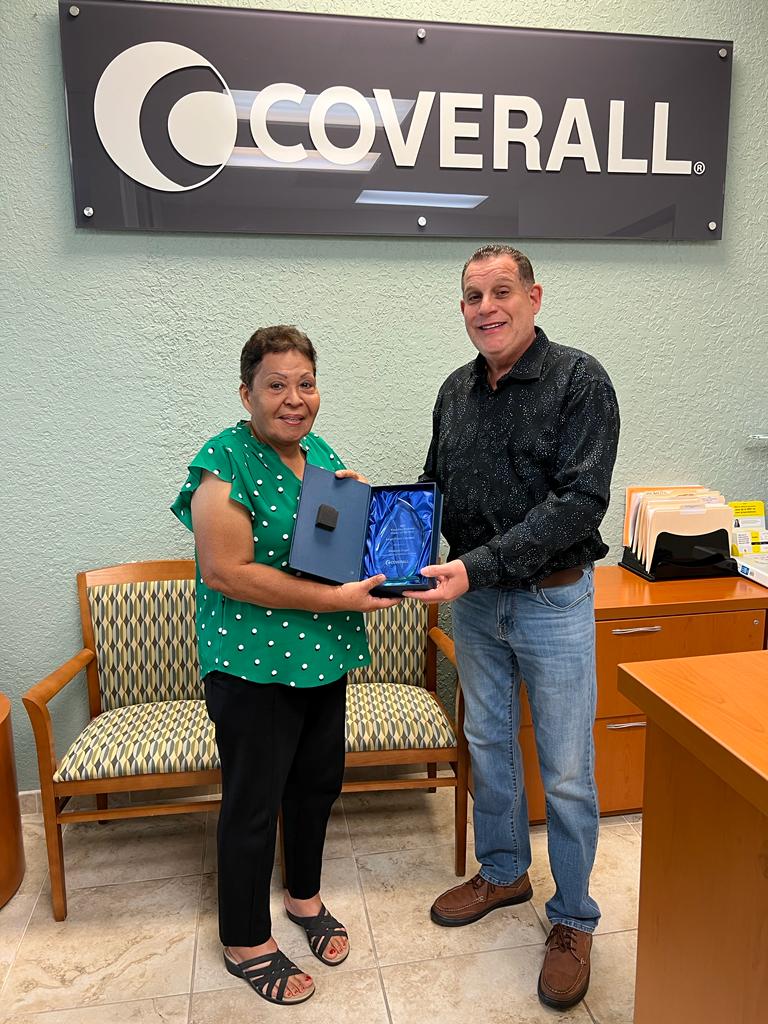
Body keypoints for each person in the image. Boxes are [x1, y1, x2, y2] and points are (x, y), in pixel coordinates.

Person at [406, 245, 620, 1011]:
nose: (485, 307)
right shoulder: (453, 393)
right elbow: (435, 487)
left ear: (534, 297)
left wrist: (477, 564)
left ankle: (571, 918)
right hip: (474, 605)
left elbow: (577, 503)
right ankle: (503, 872)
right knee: (489, 745)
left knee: (565, 770)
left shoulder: (579, 381)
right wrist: (385, 535)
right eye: (471, 295)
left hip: (550, 600)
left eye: (501, 292)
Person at [172, 325, 398, 1006]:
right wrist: (336, 596)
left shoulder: (319, 454)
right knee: (251, 804)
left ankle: (304, 898)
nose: (293, 398)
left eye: (305, 383)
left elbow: (322, 548)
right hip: (252, 667)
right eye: (276, 384)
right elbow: (227, 573)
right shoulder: (224, 461)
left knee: (315, 788)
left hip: (323, 657)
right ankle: (245, 939)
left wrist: (361, 508)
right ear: (248, 393)